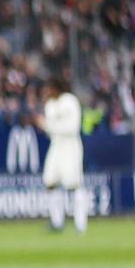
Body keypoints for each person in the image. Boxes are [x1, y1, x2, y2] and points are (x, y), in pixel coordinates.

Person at [37, 82, 90, 235]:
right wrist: (47, 126)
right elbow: (51, 131)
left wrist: (48, 126)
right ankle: (57, 222)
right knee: (50, 182)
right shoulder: (50, 105)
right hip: (56, 146)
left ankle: (81, 225)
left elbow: (73, 127)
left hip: (70, 146)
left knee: (74, 184)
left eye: (49, 88)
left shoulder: (70, 101)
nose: (46, 91)